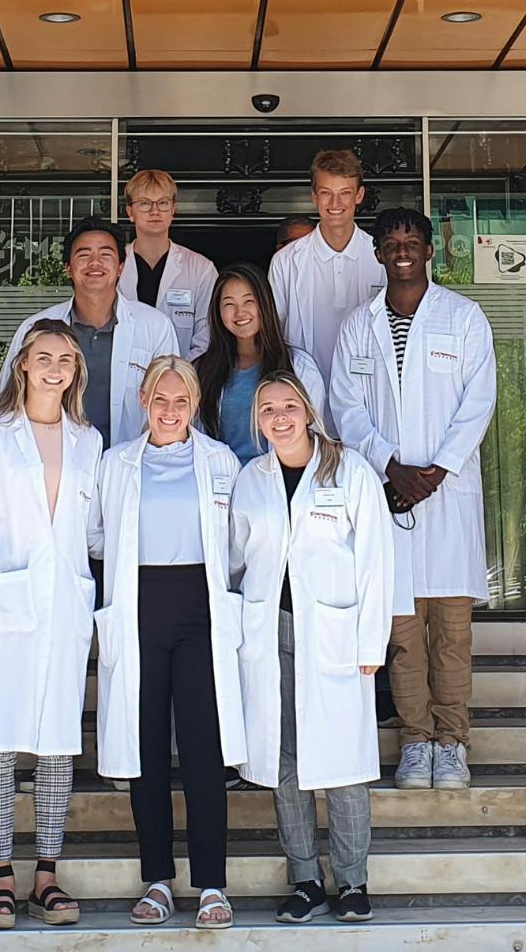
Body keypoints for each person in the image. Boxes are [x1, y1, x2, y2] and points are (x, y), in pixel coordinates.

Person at [329, 206, 497, 792]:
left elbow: (479, 401)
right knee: (401, 637)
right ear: (377, 254)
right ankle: (416, 742)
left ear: (430, 251)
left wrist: (437, 469)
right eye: (391, 241)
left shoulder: (464, 318)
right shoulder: (359, 325)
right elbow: (345, 406)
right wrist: (390, 467)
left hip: (447, 497)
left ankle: (452, 742)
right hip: (389, 496)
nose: (402, 249)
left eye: (412, 240)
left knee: (450, 635)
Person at [0, 319, 101, 929]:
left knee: (58, 742)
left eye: (66, 357)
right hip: (0, 608)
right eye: (44, 356)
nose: (55, 366)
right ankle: (0, 875)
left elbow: (93, 531)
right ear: (22, 365)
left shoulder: (88, 440)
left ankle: (48, 873)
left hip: (65, 606)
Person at [88, 355, 247, 929]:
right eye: (161, 400)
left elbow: (235, 545)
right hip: (139, 605)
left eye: (181, 401)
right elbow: (97, 536)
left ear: (196, 404)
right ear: (143, 403)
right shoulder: (116, 463)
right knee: (145, 746)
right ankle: (156, 878)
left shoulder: (221, 462)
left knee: (203, 750)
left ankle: (211, 884)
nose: (171, 411)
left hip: (200, 607)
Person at [230, 372, 393, 924]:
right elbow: (235, 561)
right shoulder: (250, 479)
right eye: (267, 409)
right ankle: (305, 880)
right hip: (268, 632)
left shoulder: (348, 471)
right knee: (284, 762)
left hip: (335, 636)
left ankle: (352, 881)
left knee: (344, 762)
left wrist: (372, 638)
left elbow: (375, 561)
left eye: (289, 406)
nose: (279, 417)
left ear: (308, 411)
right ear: (258, 420)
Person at [0, 217, 179, 447]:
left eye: (106, 254)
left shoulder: (155, 327)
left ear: (121, 268)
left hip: (129, 467)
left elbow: (175, 403)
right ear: (68, 269)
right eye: (84, 255)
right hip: (54, 466)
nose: (95, 262)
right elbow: (7, 403)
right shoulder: (35, 330)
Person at [270, 150, 386, 394]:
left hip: (368, 391)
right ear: (314, 196)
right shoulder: (286, 261)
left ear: (359, 195)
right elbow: (271, 334)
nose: (335, 204)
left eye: (345, 193)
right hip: (304, 392)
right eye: (326, 193)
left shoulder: (381, 256)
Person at [195, 262, 327, 465]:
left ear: (264, 304)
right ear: (217, 311)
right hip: (222, 483)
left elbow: (314, 435)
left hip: (276, 484)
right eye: (229, 304)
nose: (240, 312)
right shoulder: (203, 370)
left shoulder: (299, 367)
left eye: (249, 301)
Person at [117, 168, 219, 358]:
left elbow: (207, 337)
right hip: (125, 378)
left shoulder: (201, 269)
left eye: (163, 203)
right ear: (130, 212)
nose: (155, 211)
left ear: (173, 210)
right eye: (145, 204)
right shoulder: (114, 265)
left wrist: (178, 376)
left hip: (182, 381)